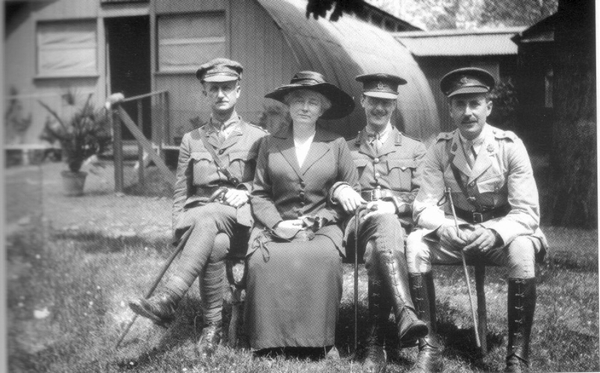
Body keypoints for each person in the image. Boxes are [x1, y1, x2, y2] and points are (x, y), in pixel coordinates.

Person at [405, 67, 547, 373]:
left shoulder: (510, 146)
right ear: (451, 110)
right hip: (457, 231)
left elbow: (527, 212)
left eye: (475, 104)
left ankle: (517, 357)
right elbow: (423, 206)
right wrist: (443, 226)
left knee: (523, 249)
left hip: (500, 233)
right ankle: (428, 350)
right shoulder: (440, 149)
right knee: (416, 243)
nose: (468, 113)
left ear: (488, 107)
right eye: (460, 105)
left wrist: (497, 233)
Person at [128, 58, 267, 358]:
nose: (220, 94)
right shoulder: (191, 140)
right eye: (213, 88)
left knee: (210, 216)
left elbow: (267, 184)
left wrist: (245, 191)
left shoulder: (258, 137)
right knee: (214, 242)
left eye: (227, 88)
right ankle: (212, 326)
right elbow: (181, 188)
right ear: (205, 92)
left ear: (238, 90)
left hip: (239, 219)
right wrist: (179, 228)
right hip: (201, 217)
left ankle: (170, 298)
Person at [244, 71, 358, 357]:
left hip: (322, 227)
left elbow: (350, 193)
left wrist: (321, 220)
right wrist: (277, 223)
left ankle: (320, 340)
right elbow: (259, 194)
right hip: (276, 226)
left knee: (325, 258)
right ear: (288, 105)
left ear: (323, 109)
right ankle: (268, 341)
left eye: (312, 102)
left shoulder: (336, 144)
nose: (305, 108)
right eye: (298, 101)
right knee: (260, 261)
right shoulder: (269, 144)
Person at [331, 73, 429, 372]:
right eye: (374, 101)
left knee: (378, 246)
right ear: (363, 101)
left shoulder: (414, 149)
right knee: (381, 227)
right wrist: (339, 189)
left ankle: (375, 345)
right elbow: (325, 185)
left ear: (394, 105)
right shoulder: (344, 147)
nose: (379, 108)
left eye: (386, 103)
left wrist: (396, 203)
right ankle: (405, 313)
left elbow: (425, 196)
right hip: (356, 225)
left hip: (394, 230)